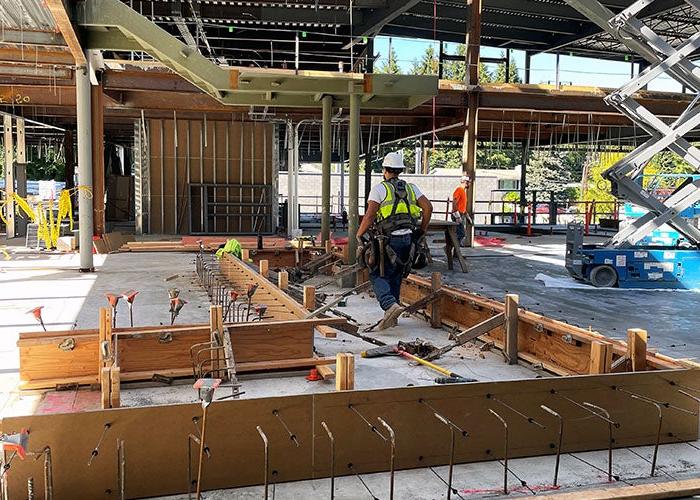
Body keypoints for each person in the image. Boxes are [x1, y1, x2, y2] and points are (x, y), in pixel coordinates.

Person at [357, 152, 433, 330]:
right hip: (408, 239)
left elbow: (370, 216)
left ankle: (389, 305)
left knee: (377, 273)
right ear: (399, 170)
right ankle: (393, 315)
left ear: (385, 170)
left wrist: (359, 235)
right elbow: (428, 207)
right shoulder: (412, 188)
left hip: (387, 240)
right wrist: (422, 230)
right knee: (397, 274)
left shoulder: (379, 189)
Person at [451, 175, 472, 245]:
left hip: (460, 214)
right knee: (461, 234)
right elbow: (454, 202)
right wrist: (457, 216)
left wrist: (467, 217)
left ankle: (455, 252)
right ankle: (453, 250)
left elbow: (462, 207)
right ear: (465, 182)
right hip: (457, 215)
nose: (470, 184)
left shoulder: (463, 191)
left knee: (460, 233)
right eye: (469, 182)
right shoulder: (459, 190)